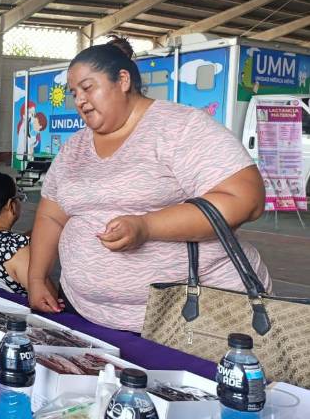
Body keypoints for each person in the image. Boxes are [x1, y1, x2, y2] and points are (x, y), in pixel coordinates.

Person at [27, 36, 270, 332]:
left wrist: (146, 226)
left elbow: (246, 198)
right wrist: (36, 278)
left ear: (123, 80)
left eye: (88, 88)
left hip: (191, 320)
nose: (79, 100)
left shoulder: (180, 128)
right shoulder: (73, 148)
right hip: (88, 313)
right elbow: (51, 215)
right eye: (74, 93)